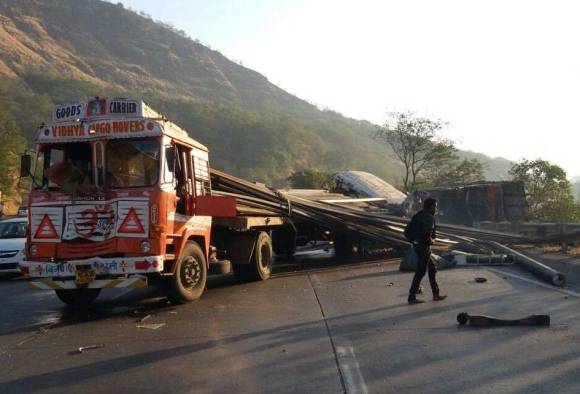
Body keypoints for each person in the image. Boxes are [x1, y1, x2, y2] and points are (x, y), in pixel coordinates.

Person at [406, 197, 447, 305]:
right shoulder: (429, 218)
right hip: (424, 247)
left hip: (417, 245)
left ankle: (436, 294)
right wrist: (432, 241)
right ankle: (412, 296)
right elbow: (427, 233)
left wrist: (415, 241)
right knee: (421, 271)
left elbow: (407, 231)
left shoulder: (418, 215)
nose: (436, 209)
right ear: (431, 207)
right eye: (435, 206)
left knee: (432, 269)